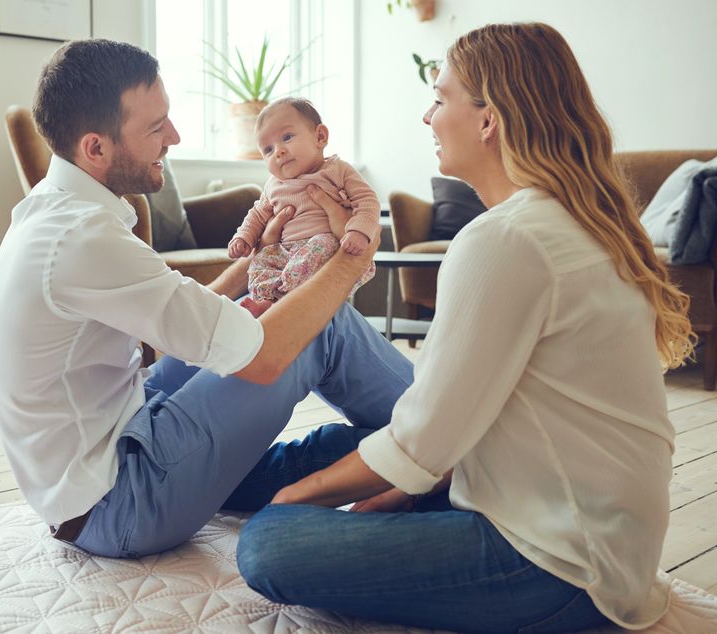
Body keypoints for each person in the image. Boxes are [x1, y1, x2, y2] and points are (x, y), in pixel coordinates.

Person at [235, 22, 695, 634]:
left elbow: (424, 441)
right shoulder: (572, 222)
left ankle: (242, 490)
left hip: (559, 564)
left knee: (267, 542)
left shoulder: (507, 240)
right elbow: (466, 417)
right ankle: (232, 480)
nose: (428, 117)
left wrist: (296, 501)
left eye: (440, 98)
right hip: (592, 530)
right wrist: (396, 486)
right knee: (347, 446)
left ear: (489, 120)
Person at [0, 39, 416, 559]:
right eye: (156, 127)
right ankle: (453, 442)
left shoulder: (51, 212)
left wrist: (261, 259)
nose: (175, 137)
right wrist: (350, 258)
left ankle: (398, 453)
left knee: (277, 309)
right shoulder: (81, 237)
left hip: (119, 438)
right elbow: (266, 355)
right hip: (121, 501)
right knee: (320, 325)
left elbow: (183, 312)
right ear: (95, 148)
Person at [228, 98, 378, 317]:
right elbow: (257, 214)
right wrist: (243, 237)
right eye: (268, 150)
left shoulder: (337, 169)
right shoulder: (273, 185)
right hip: (284, 250)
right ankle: (267, 301)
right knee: (261, 261)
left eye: (287, 137)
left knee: (321, 244)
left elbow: (367, 200)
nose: (278, 152)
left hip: (323, 244)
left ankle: (290, 300)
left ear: (320, 137)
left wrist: (358, 231)